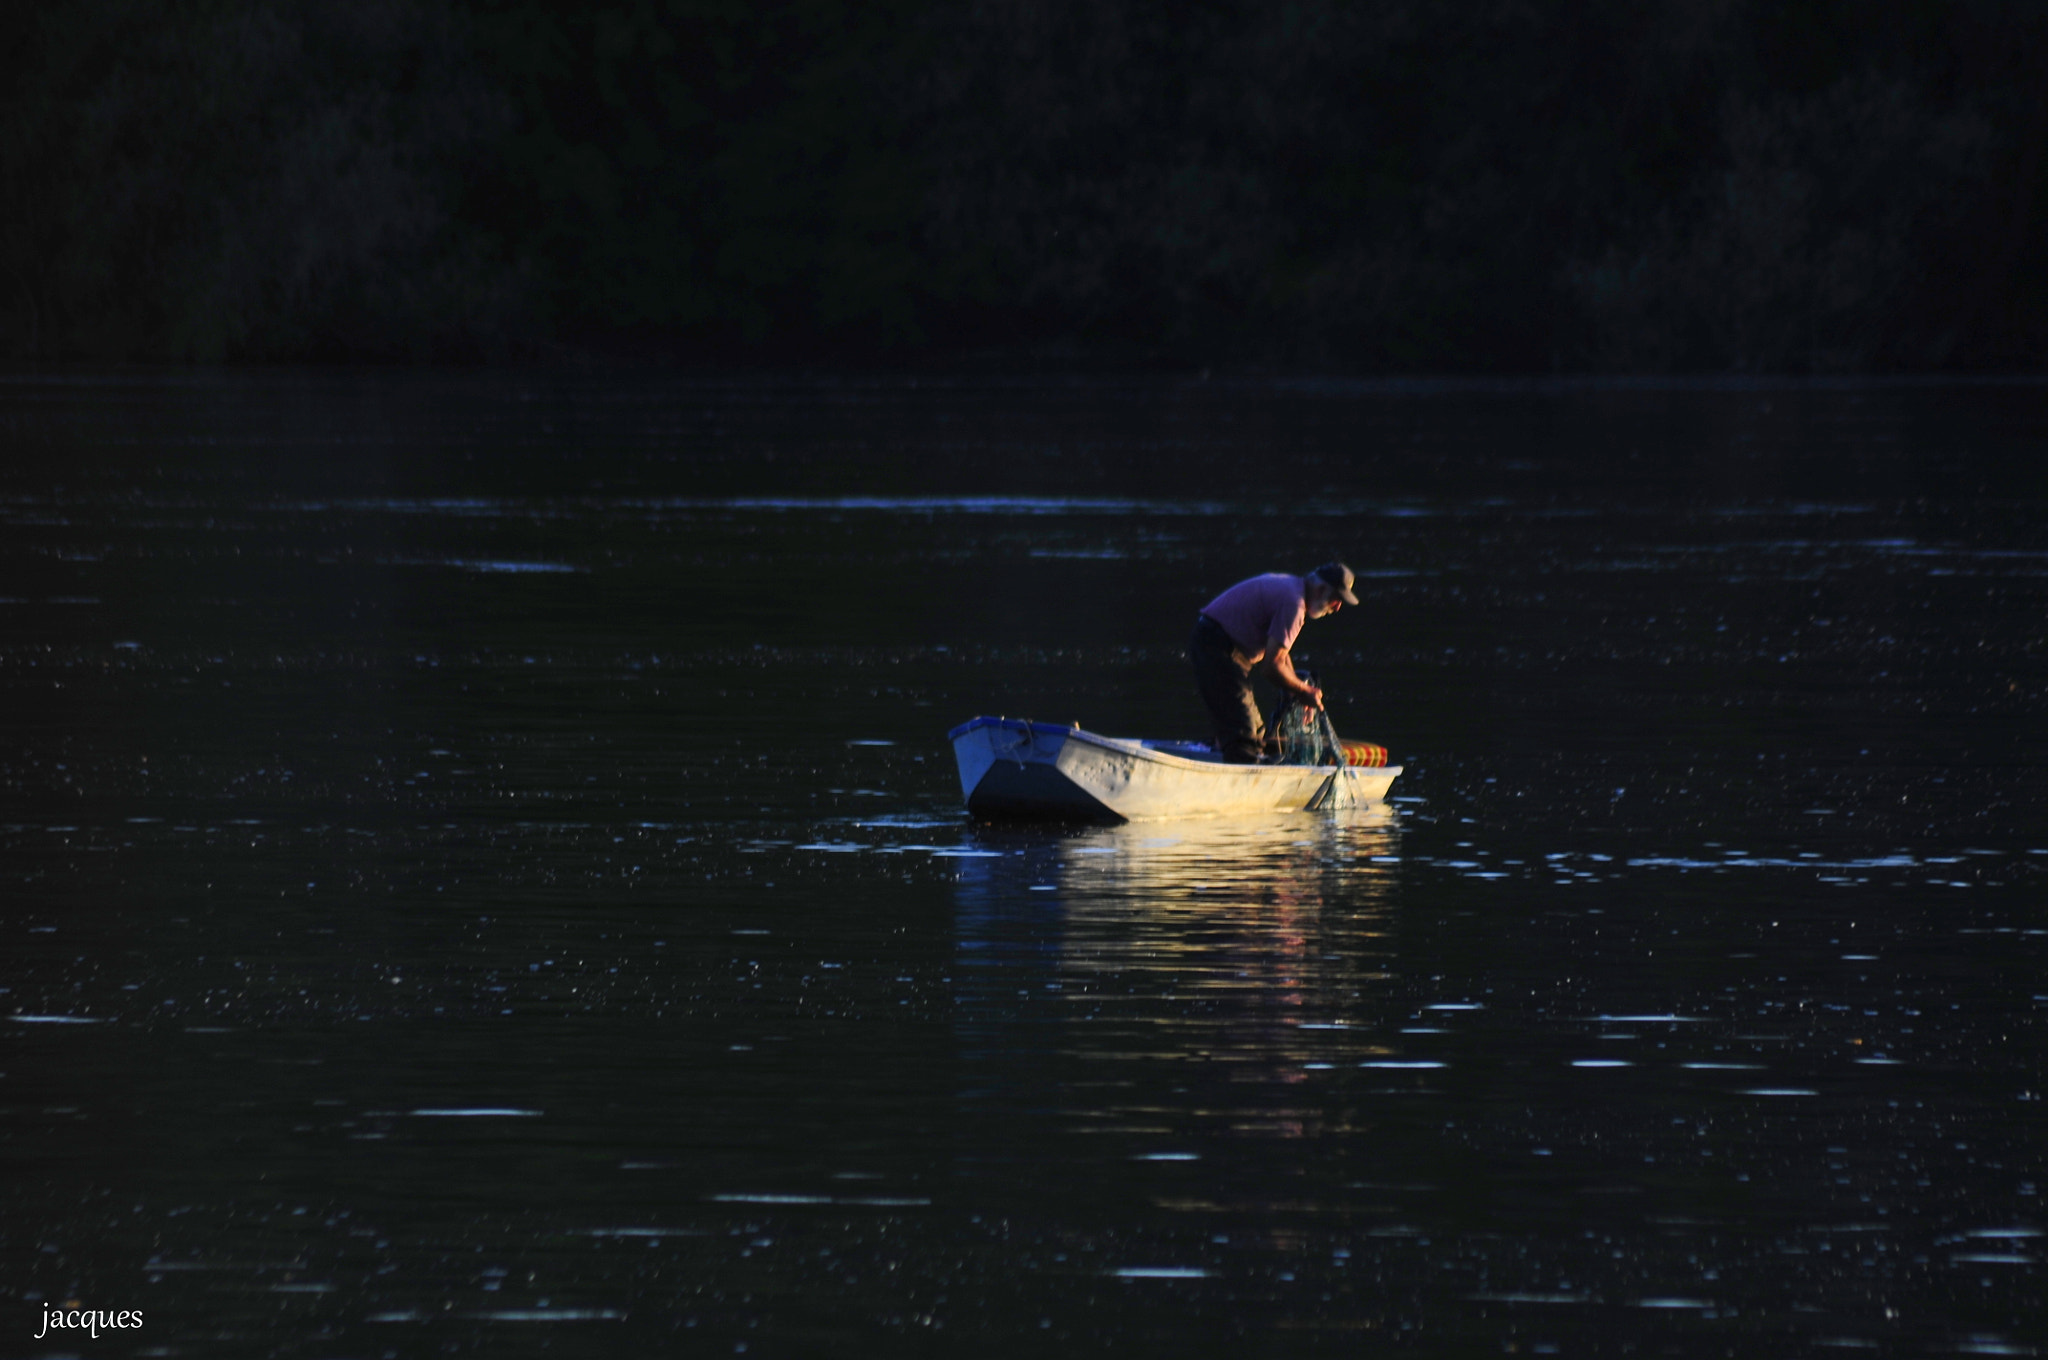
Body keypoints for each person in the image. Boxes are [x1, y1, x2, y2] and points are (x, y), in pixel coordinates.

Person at [1189, 562, 1358, 763]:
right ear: (1321, 590)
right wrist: (1305, 692)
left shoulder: (1292, 589)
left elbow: (1281, 656)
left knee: (1256, 735)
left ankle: (1219, 748)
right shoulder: (1293, 604)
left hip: (1217, 643)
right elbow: (1271, 667)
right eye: (1336, 600)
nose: (1337, 608)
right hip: (1217, 646)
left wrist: (1297, 688)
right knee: (1245, 740)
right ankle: (1238, 775)